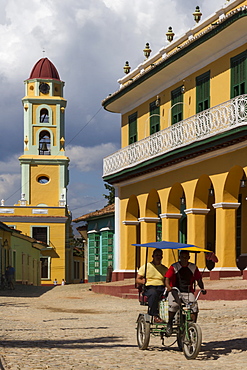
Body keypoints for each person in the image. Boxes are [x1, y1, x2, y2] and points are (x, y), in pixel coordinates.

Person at [165, 250, 206, 336]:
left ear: (189, 258)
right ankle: (170, 323)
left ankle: (192, 325)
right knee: (174, 305)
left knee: (194, 306)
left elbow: (199, 279)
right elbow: (167, 278)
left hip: (188, 291)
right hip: (175, 290)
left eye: (186, 257)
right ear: (179, 257)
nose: (184, 259)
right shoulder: (174, 266)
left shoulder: (193, 267)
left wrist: (202, 288)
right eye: (182, 257)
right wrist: (169, 287)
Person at [136, 248, 168, 323]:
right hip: (150, 287)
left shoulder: (164, 268)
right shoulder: (146, 267)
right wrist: (142, 281)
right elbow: (137, 279)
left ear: (162, 257)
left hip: (161, 287)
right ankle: (154, 315)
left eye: (160, 255)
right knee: (153, 294)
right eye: (156, 255)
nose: (158, 257)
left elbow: (167, 279)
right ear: (152, 256)